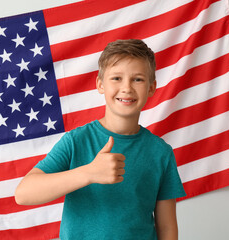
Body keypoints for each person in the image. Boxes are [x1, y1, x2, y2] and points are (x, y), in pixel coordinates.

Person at [15, 39, 186, 240]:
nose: (127, 88)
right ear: (100, 84)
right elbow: (24, 194)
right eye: (116, 78)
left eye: (137, 79)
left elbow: (167, 227)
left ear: (151, 88)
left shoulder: (161, 152)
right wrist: (88, 173)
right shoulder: (76, 141)